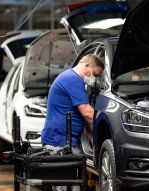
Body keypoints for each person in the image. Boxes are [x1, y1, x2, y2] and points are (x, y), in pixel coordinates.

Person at [41, 54, 104, 191]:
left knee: (72, 185)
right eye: (94, 74)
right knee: (68, 186)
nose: (93, 79)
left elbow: (85, 119)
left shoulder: (71, 78)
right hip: (61, 142)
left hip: (65, 140)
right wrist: (105, 118)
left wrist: (94, 139)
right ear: (87, 66)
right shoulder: (72, 80)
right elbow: (87, 113)